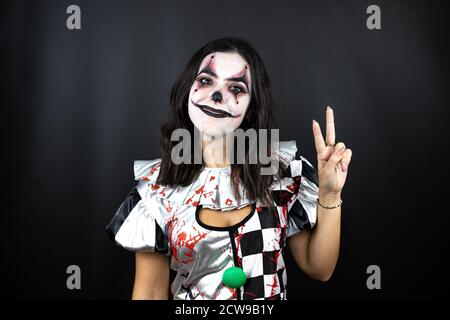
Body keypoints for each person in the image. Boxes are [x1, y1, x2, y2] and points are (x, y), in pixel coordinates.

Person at [106, 37, 352, 300]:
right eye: (205, 81)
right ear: (187, 91)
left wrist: (330, 194)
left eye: (235, 88)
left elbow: (319, 269)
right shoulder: (157, 189)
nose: (216, 95)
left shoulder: (280, 173)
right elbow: (150, 293)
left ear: (250, 107)